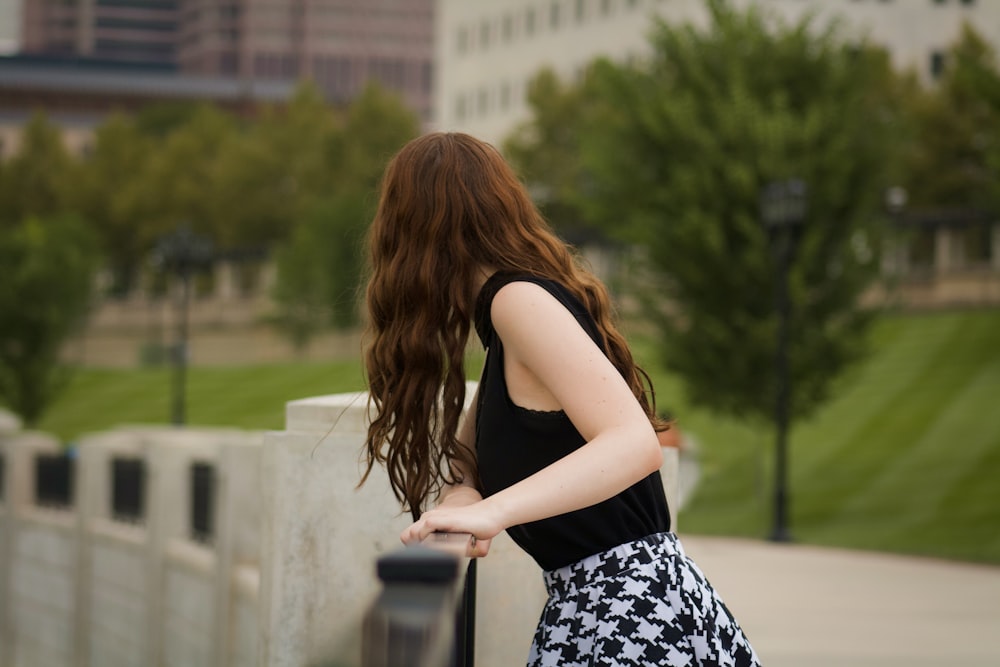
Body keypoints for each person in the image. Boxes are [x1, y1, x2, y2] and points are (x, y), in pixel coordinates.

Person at [361, 132, 760, 666]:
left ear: (411, 234)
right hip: (602, 609)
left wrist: (493, 512)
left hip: (628, 613)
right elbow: (468, 456)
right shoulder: (505, 324)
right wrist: (463, 500)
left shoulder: (517, 301)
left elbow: (634, 443)